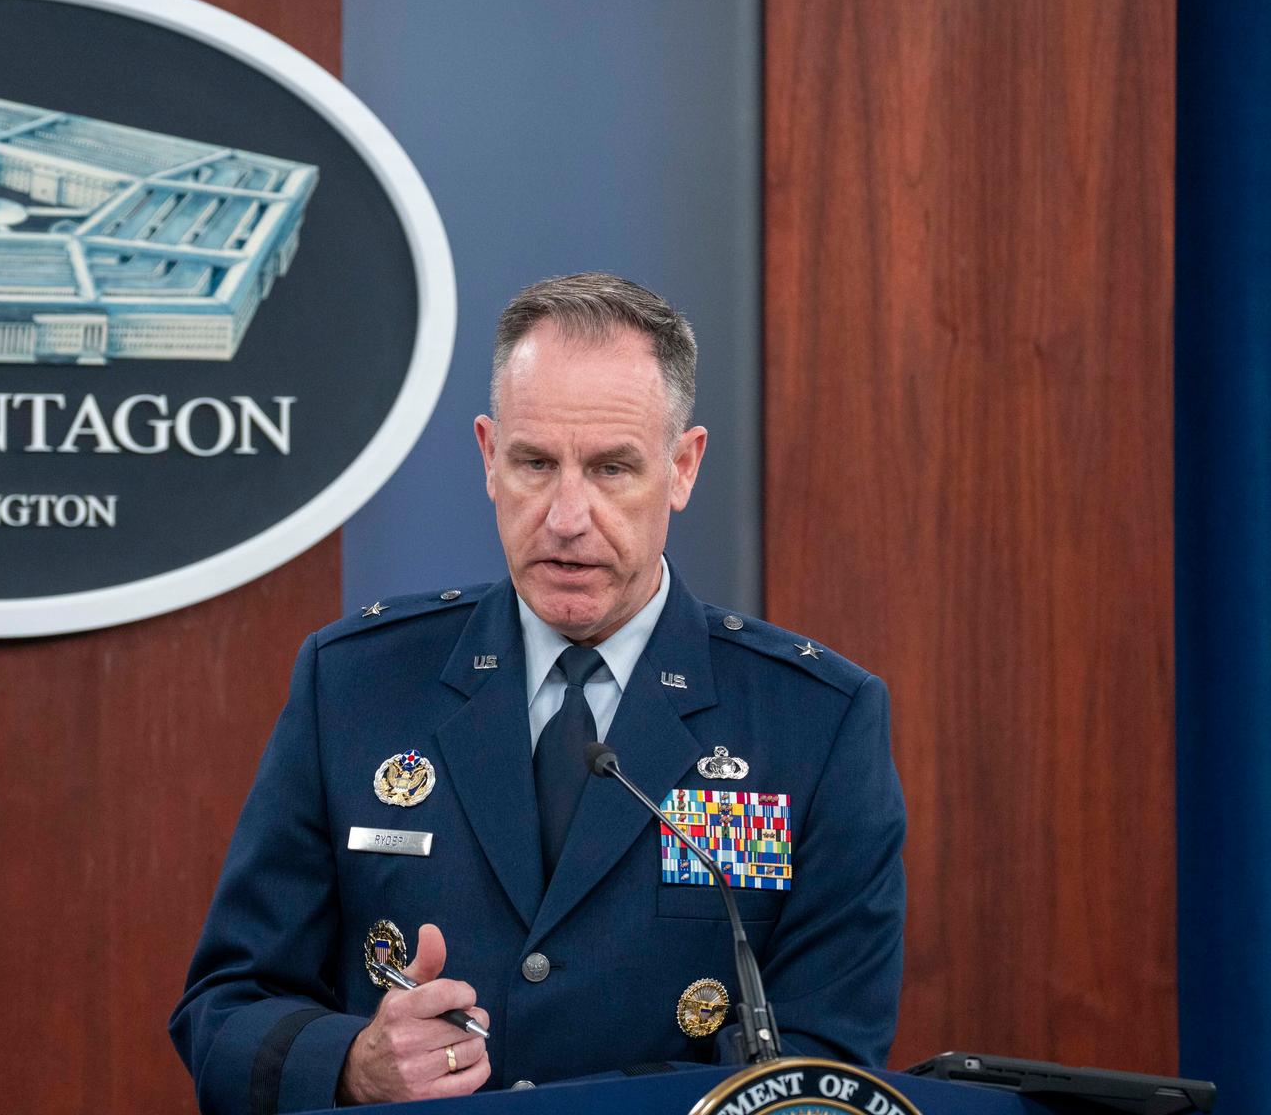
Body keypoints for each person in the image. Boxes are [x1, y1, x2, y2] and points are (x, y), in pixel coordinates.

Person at [170, 273, 905, 1113]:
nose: (565, 516)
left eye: (611, 468)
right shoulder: (356, 686)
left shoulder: (814, 723)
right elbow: (222, 1012)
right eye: (534, 463)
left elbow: (830, 1064)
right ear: (488, 457)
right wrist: (352, 1064)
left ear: (683, 467)